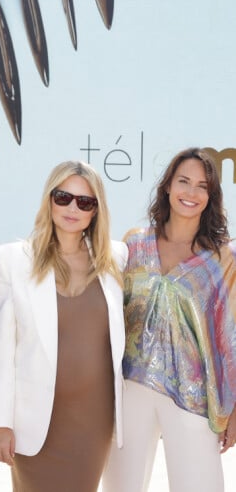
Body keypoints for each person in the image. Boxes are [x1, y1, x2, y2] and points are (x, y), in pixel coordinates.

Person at [0, 160, 127, 492]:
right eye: (63, 197)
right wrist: (0, 423)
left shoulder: (116, 259)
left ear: (96, 210)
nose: (72, 208)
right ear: (49, 199)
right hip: (34, 421)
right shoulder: (13, 260)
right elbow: (0, 352)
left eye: (85, 201)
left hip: (93, 420)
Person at [102, 147, 236, 492]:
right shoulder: (134, 243)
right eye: (184, 181)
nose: (191, 193)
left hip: (194, 398)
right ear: (167, 187)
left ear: (211, 196)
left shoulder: (222, 258)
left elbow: (231, 337)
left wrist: (233, 407)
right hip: (130, 388)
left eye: (202, 186)